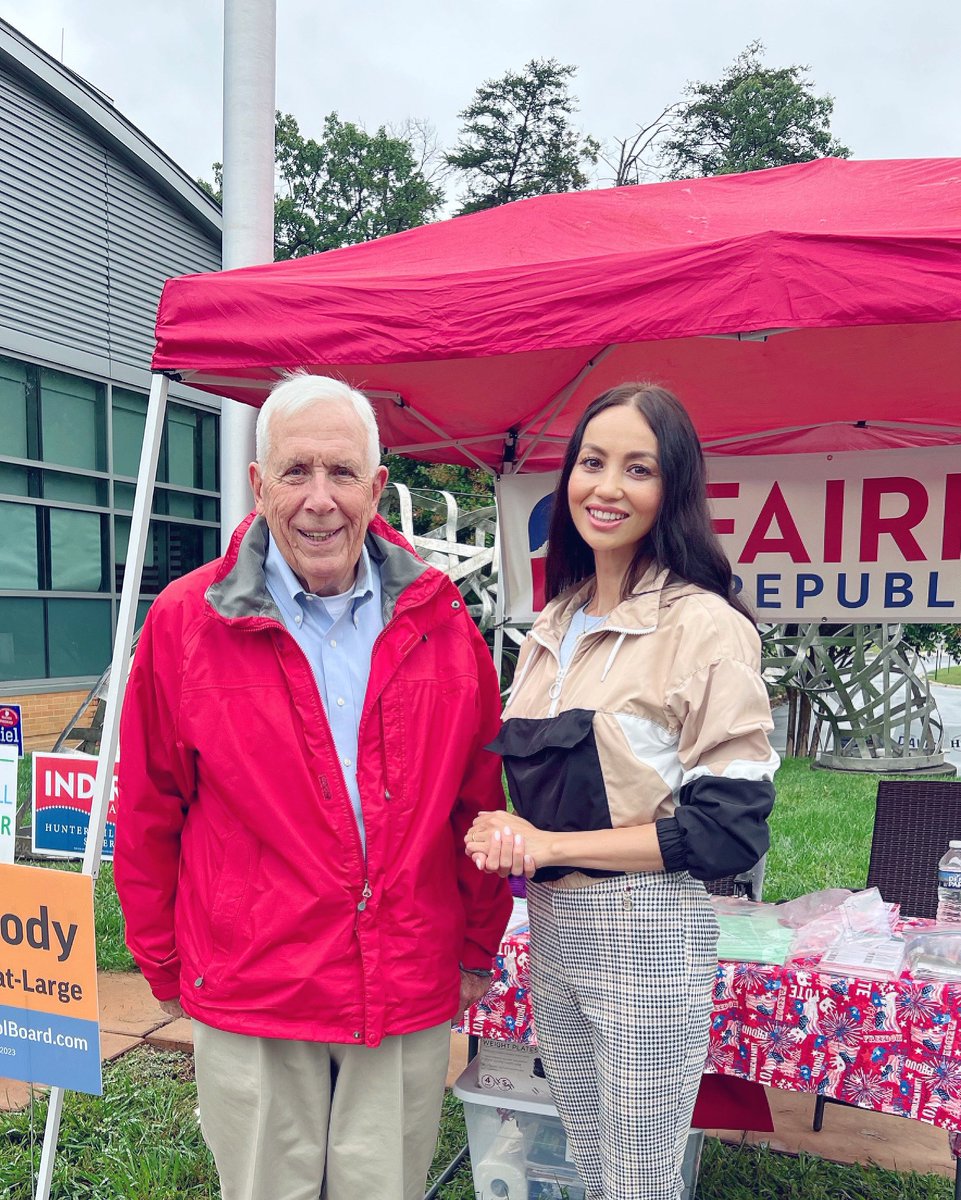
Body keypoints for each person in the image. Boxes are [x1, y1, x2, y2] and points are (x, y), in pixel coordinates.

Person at [115, 372, 511, 1200]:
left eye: (341, 473)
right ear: (259, 484)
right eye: (296, 471)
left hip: (401, 975)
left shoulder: (441, 623)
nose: (319, 500)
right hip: (256, 980)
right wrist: (163, 962)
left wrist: (477, 944)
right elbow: (149, 808)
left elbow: (476, 801)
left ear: (376, 487)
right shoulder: (186, 623)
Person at [465, 383, 779, 1200]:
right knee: (587, 1161)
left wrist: (548, 845)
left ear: (672, 490)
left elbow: (728, 831)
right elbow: (564, 787)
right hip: (551, 927)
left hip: (645, 929)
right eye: (592, 463)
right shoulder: (551, 623)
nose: (606, 487)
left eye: (637, 469)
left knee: (639, 1179)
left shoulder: (703, 625)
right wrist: (509, 831)